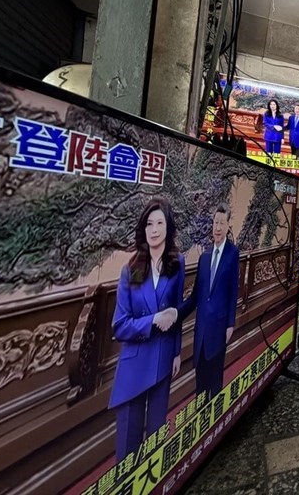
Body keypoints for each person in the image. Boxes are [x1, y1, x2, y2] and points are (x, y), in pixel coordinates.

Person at [109, 197, 184, 462]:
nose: (154, 229)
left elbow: (176, 309)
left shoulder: (177, 264)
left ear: (168, 227)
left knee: (155, 443)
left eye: (160, 223)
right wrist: (152, 320)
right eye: (149, 224)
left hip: (163, 359)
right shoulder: (130, 270)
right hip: (134, 367)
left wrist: (176, 352)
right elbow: (119, 326)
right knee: (128, 452)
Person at [178, 204, 239, 401]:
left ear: (228, 226)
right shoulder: (204, 257)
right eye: (215, 222)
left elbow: (233, 290)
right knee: (200, 385)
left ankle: (214, 421)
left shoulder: (232, 253)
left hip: (220, 326)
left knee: (214, 382)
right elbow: (196, 295)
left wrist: (231, 322)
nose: (217, 227)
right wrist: (176, 314)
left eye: (222, 223)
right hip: (201, 328)